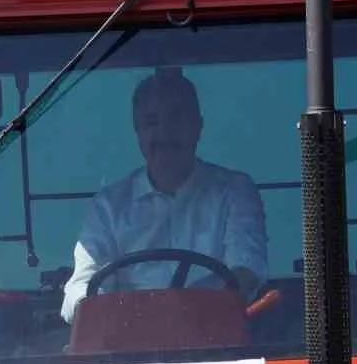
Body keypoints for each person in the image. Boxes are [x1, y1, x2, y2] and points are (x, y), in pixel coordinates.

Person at [59, 67, 268, 324]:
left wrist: (201, 316)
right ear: (138, 133)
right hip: (127, 343)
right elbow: (83, 286)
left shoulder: (234, 190)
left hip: (217, 341)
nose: (164, 134)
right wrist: (98, 312)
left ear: (198, 127)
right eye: (151, 123)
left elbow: (245, 271)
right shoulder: (108, 206)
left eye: (176, 119)